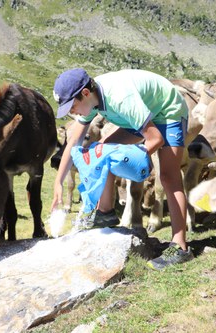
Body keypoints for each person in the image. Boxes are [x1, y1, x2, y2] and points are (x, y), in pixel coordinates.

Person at [51, 68, 194, 270]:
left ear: (84, 93)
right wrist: (58, 182)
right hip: (142, 113)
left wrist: (131, 156)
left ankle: (180, 247)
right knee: (100, 151)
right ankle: (105, 213)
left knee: (169, 177)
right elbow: (74, 140)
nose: (71, 112)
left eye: (71, 106)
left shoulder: (120, 98)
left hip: (167, 110)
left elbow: (155, 138)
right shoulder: (90, 100)